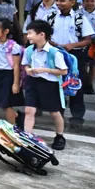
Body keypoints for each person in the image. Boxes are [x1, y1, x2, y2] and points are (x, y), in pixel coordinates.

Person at [47, 0, 95, 124]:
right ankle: (58, 112)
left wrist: (72, 45)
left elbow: (88, 39)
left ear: (72, 2)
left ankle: (77, 114)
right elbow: (42, 34)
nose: (58, 3)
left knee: (75, 83)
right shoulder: (50, 17)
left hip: (74, 55)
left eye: (62, 1)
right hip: (54, 53)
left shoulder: (80, 19)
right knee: (55, 83)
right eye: (57, 1)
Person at [22, 20, 67, 150]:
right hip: (33, 82)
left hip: (49, 84)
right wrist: (28, 70)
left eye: (30, 33)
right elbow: (26, 64)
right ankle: (27, 136)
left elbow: (63, 71)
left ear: (41, 34)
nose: (28, 36)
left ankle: (59, 136)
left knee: (54, 113)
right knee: (29, 110)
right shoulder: (29, 50)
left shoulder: (54, 52)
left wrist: (44, 70)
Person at [0, 18, 25, 130]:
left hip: (9, 76)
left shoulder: (13, 47)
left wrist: (15, 83)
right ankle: (17, 118)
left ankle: (13, 127)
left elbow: (16, 66)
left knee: (5, 103)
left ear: (6, 31)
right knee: (1, 102)